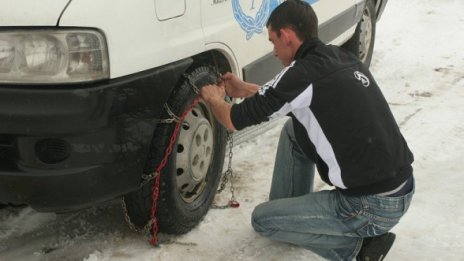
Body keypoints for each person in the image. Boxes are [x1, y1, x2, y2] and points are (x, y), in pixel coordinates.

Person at [200, 0, 414, 260]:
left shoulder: (301, 74)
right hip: (400, 187)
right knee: (294, 131)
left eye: (272, 41)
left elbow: (232, 119)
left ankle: (359, 251)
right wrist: (245, 88)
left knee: (263, 221)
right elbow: (291, 99)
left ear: (286, 36)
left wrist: (213, 99)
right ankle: (292, 211)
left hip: (369, 205)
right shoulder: (337, 58)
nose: (274, 51)